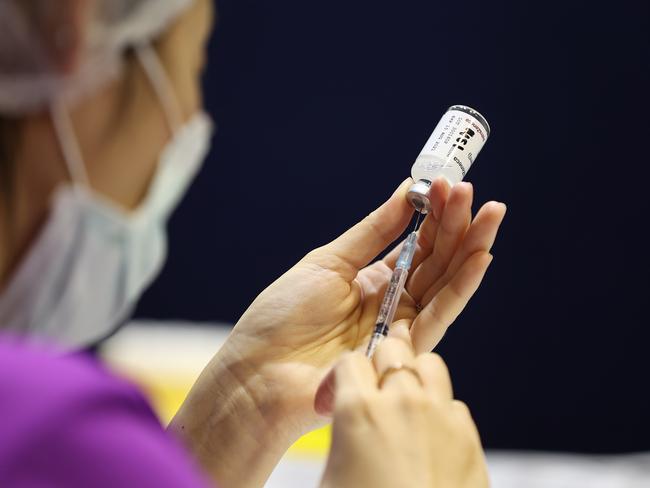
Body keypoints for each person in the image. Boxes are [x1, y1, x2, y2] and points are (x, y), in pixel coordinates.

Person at [0, 0, 507, 486]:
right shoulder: (53, 432)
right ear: (74, 28)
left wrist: (246, 402)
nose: (187, 123)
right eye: (190, 67)